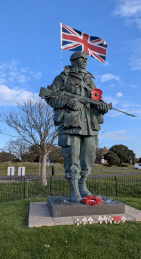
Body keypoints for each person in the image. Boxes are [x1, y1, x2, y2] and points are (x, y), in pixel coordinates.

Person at [45, 51, 109, 202]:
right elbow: (50, 96)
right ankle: (74, 190)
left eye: (86, 59)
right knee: (72, 157)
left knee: (89, 158)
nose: (85, 60)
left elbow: (95, 98)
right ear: (74, 60)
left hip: (90, 124)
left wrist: (102, 106)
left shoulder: (89, 80)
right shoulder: (63, 77)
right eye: (82, 58)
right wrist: (68, 101)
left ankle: (82, 186)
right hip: (71, 123)